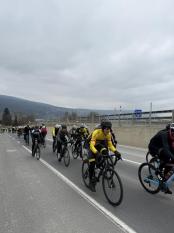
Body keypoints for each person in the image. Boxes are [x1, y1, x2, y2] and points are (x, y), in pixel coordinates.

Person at [87, 120, 121, 192]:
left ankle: (99, 169)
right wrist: (96, 153)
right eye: (106, 129)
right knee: (92, 163)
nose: (108, 130)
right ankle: (91, 182)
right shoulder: (97, 132)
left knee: (105, 154)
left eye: (109, 129)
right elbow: (92, 145)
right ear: (102, 128)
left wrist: (116, 151)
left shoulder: (108, 134)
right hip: (91, 145)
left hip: (99, 145)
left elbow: (110, 145)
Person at [148, 123, 174, 194]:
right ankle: (158, 172)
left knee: (170, 161)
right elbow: (166, 148)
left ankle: (164, 183)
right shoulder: (164, 134)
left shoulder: (171, 135)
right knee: (167, 156)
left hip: (162, 146)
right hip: (154, 147)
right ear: (170, 130)